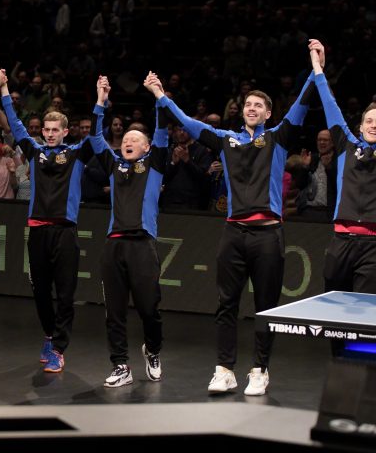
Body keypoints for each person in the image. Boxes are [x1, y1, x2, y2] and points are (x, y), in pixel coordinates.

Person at [144, 40, 318, 396]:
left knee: (266, 308)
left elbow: (301, 106)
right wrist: (161, 95)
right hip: (234, 233)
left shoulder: (278, 138)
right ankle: (224, 369)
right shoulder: (227, 139)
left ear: (268, 113)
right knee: (226, 304)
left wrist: (315, 71)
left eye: (259, 105)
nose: (251, 108)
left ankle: (260, 369)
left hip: (268, 234)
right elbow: (190, 125)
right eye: (248, 104)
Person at [0, 69, 96, 374]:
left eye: (56, 130)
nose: (51, 133)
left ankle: (58, 349)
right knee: (41, 292)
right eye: (47, 129)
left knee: (65, 294)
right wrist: (3, 88)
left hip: (64, 232)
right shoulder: (36, 152)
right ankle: (50, 335)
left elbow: (96, 135)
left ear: (66, 132)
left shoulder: (77, 154)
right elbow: (15, 125)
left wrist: (102, 101)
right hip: (38, 230)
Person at [90, 75, 168, 387]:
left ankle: (153, 350)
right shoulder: (113, 166)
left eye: (135, 140)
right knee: (114, 312)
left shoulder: (155, 164)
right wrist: (100, 102)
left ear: (147, 147)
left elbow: (162, 130)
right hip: (114, 245)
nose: (128, 142)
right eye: (125, 140)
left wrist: (157, 94)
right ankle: (120, 364)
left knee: (149, 309)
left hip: (142, 246)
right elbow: (96, 140)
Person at [312, 39, 376, 308]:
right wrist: (318, 67)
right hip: (341, 241)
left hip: (373, 246)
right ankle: (338, 353)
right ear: (360, 126)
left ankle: (360, 352)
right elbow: (329, 103)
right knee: (334, 309)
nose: (374, 126)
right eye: (370, 121)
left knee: (364, 312)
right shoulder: (345, 144)